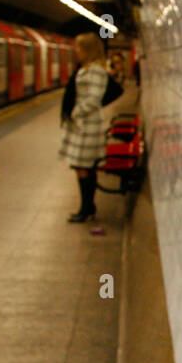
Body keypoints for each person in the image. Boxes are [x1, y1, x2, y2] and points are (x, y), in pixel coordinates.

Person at [58, 32, 110, 222]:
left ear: (87, 49)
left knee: (83, 167)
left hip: (88, 125)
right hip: (83, 125)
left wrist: (76, 111)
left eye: (79, 47)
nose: (76, 50)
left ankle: (86, 208)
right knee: (83, 167)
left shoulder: (96, 70)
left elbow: (95, 98)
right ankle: (88, 206)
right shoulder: (87, 68)